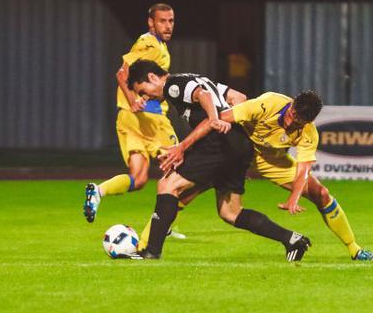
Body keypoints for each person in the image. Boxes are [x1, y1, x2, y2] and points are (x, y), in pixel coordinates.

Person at [160, 90, 373, 261]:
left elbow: (303, 169)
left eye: (299, 122)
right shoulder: (267, 103)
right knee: (183, 193)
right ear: (292, 104)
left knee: (321, 193)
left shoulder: (309, 132)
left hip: (271, 161)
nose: (291, 122)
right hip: (239, 150)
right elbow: (218, 119)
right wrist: (185, 148)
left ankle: (355, 250)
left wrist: (294, 198)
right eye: (293, 115)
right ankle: (148, 245)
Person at [124, 60, 311, 261]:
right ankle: (292, 239)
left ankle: (151, 252)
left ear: (152, 77)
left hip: (217, 142)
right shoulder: (196, 77)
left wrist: (211, 121)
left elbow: (203, 95)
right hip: (238, 144)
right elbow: (239, 97)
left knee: (168, 185)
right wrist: (234, 140)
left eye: (142, 91)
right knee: (230, 212)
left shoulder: (171, 85)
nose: (145, 97)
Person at [83, 4, 180, 227]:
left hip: (127, 118)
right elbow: (122, 73)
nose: (168, 25)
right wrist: (133, 100)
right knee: (179, 167)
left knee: (139, 178)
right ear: (151, 22)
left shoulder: (158, 45)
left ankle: (98, 191)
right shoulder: (149, 44)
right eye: (162, 21)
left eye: (171, 21)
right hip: (150, 119)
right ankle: (162, 225)